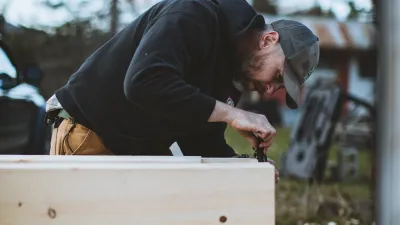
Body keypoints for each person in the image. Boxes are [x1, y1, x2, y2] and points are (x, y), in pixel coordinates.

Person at [45, 0, 319, 182]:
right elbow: (143, 82)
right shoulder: (194, 13)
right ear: (268, 40)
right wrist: (230, 113)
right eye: (279, 76)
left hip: (134, 147)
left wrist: (245, 167)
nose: (271, 89)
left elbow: (198, 138)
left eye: (280, 87)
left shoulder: (233, 72)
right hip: (90, 132)